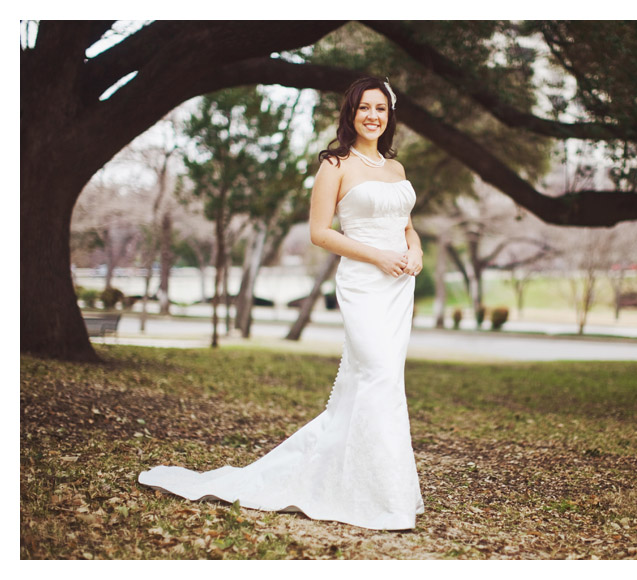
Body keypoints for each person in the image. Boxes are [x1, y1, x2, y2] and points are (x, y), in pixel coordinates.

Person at [138, 77, 425, 530]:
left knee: (381, 383)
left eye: (381, 109)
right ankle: (379, 498)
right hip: (364, 282)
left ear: (389, 116)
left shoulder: (396, 169)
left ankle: (376, 488)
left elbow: (406, 225)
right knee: (378, 376)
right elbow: (320, 233)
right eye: (364, 108)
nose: (373, 115)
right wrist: (380, 256)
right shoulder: (335, 164)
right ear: (350, 113)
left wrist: (416, 250)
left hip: (398, 286)